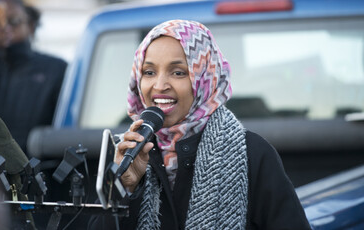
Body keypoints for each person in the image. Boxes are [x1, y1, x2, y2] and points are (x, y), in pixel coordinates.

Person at [88, 20, 311, 229]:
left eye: (178, 72)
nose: (160, 85)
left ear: (205, 79)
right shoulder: (126, 153)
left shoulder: (252, 154)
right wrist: (124, 188)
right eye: (149, 72)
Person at [0, 0, 67, 153]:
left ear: (31, 26)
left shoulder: (55, 69)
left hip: (35, 167)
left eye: (13, 21)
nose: (5, 28)